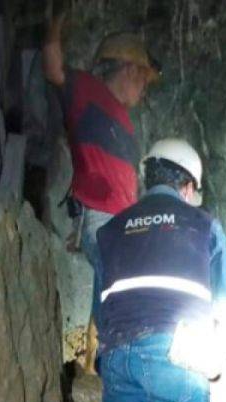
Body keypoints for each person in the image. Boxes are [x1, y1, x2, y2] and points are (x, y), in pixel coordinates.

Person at [95, 138, 226, 402]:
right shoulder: (203, 224)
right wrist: (225, 356)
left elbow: (101, 311)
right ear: (188, 187)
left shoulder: (109, 230)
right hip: (176, 355)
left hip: (117, 359)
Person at [42, 14, 160, 373]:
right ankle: (109, 360)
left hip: (121, 217)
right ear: (128, 70)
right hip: (100, 211)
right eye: (142, 78)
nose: (144, 89)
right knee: (116, 278)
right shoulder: (87, 89)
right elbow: (54, 70)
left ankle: (97, 359)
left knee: (110, 279)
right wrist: (55, 22)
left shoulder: (123, 119)